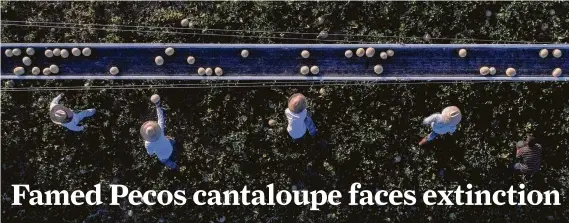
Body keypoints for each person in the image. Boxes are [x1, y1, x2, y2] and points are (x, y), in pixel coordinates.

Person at [140, 94, 178, 170]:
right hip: (169, 148)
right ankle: (175, 143)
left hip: (164, 156)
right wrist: (157, 105)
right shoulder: (160, 132)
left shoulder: (147, 143)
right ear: (155, 129)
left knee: (165, 161)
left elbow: (150, 153)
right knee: (168, 139)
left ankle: (174, 166)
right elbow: (161, 119)